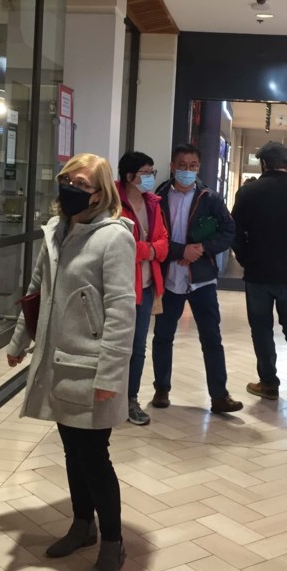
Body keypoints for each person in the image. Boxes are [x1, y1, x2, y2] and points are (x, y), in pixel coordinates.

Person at [4, 153, 135, 571]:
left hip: (91, 367)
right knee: (73, 453)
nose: (72, 188)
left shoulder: (113, 238)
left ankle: (112, 545)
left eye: (82, 182)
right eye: (67, 179)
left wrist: (110, 377)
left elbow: (121, 311)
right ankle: (83, 526)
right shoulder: (56, 231)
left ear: (101, 193)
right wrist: (19, 342)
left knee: (94, 458)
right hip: (58, 363)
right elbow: (37, 291)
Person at [151, 143, 243, 414]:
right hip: (169, 278)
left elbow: (229, 231)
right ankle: (161, 389)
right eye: (182, 165)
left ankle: (219, 395)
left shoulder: (209, 197)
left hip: (201, 279)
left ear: (199, 168)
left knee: (212, 338)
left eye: (193, 166)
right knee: (163, 336)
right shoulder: (158, 197)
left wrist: (201, 249)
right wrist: (181, 251)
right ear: (172, 166)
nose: (187, 171)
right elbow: (154, 236)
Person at [231, 141, 287, 407]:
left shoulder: (249, 193)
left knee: (261, 328)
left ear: (263, 164)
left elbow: (234, 231)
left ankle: (269, 383)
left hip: (258, 272)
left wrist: (245, 256)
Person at [116, 151, 169, 426]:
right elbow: (117, 245)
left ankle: (130, 400)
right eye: (145, 173)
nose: (150, 178)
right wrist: (148, 249)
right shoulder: (112, 203)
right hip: (119, 285)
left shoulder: (153, 203)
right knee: (115, 346)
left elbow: (164, 243)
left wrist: (147, 250)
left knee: (138, 347)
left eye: (152, 173)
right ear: (129, 176)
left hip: (147, 287)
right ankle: (108, 398)